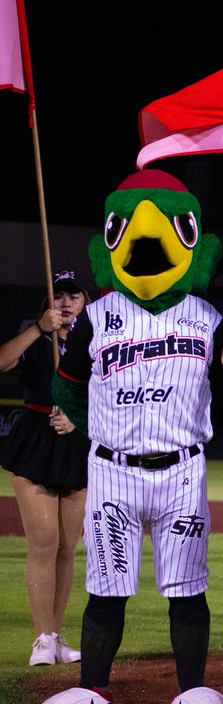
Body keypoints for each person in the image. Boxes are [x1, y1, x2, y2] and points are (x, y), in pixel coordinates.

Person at [50, 169, 223, 704]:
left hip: (182, 470)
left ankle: (192, 697)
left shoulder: (209, 319)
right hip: (113, 470)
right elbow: (68, 387)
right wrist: (108, 433)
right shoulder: (95, 317)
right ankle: (93, 696)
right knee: (106, 590)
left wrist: (193, 430)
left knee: (188, 590)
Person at [0, 271, 90, 667]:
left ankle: (55, 636)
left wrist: (78, 416)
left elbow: (109, 393)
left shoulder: (94, 342)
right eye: (59, 296)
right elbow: (2, 361)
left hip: (76, 442)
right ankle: (41, 638)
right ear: (47, 302)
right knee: (44, 541)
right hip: (35, 440)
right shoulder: (35, 336)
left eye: (74, 296)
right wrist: (39, 328)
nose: (65, 303)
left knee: (67, 547)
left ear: (85, 302)